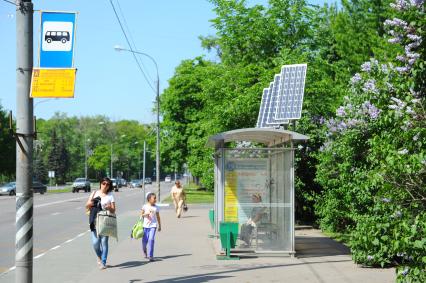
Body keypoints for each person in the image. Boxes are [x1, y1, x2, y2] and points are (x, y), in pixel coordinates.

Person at [85, 177, 116, 269]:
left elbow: (114, 210)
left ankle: (103, 262)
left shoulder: (110, 195)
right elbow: (86, 205)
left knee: (104, 242)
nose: (105, 185)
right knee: (95, 243)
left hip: (105, 220)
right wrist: (90, 204)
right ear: (100, 183)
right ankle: (100, 256)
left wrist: (109, 207)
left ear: (109, 186)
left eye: (107, 184)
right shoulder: (94, 193)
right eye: (103, 183)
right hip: (94, 220)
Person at [141, 192, 161, 261]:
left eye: (155, 198)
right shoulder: (144, 206)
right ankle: (144, 250)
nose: (155, 199)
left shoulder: (156, 207)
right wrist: (145, 214)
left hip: (153, 225)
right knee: (144, 242)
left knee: (151, 239)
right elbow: (141, 215)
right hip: (145, 226)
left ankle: (151, 255)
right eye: (154, 198)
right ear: (149, 199)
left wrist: (160, 225)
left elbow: (158, 217)